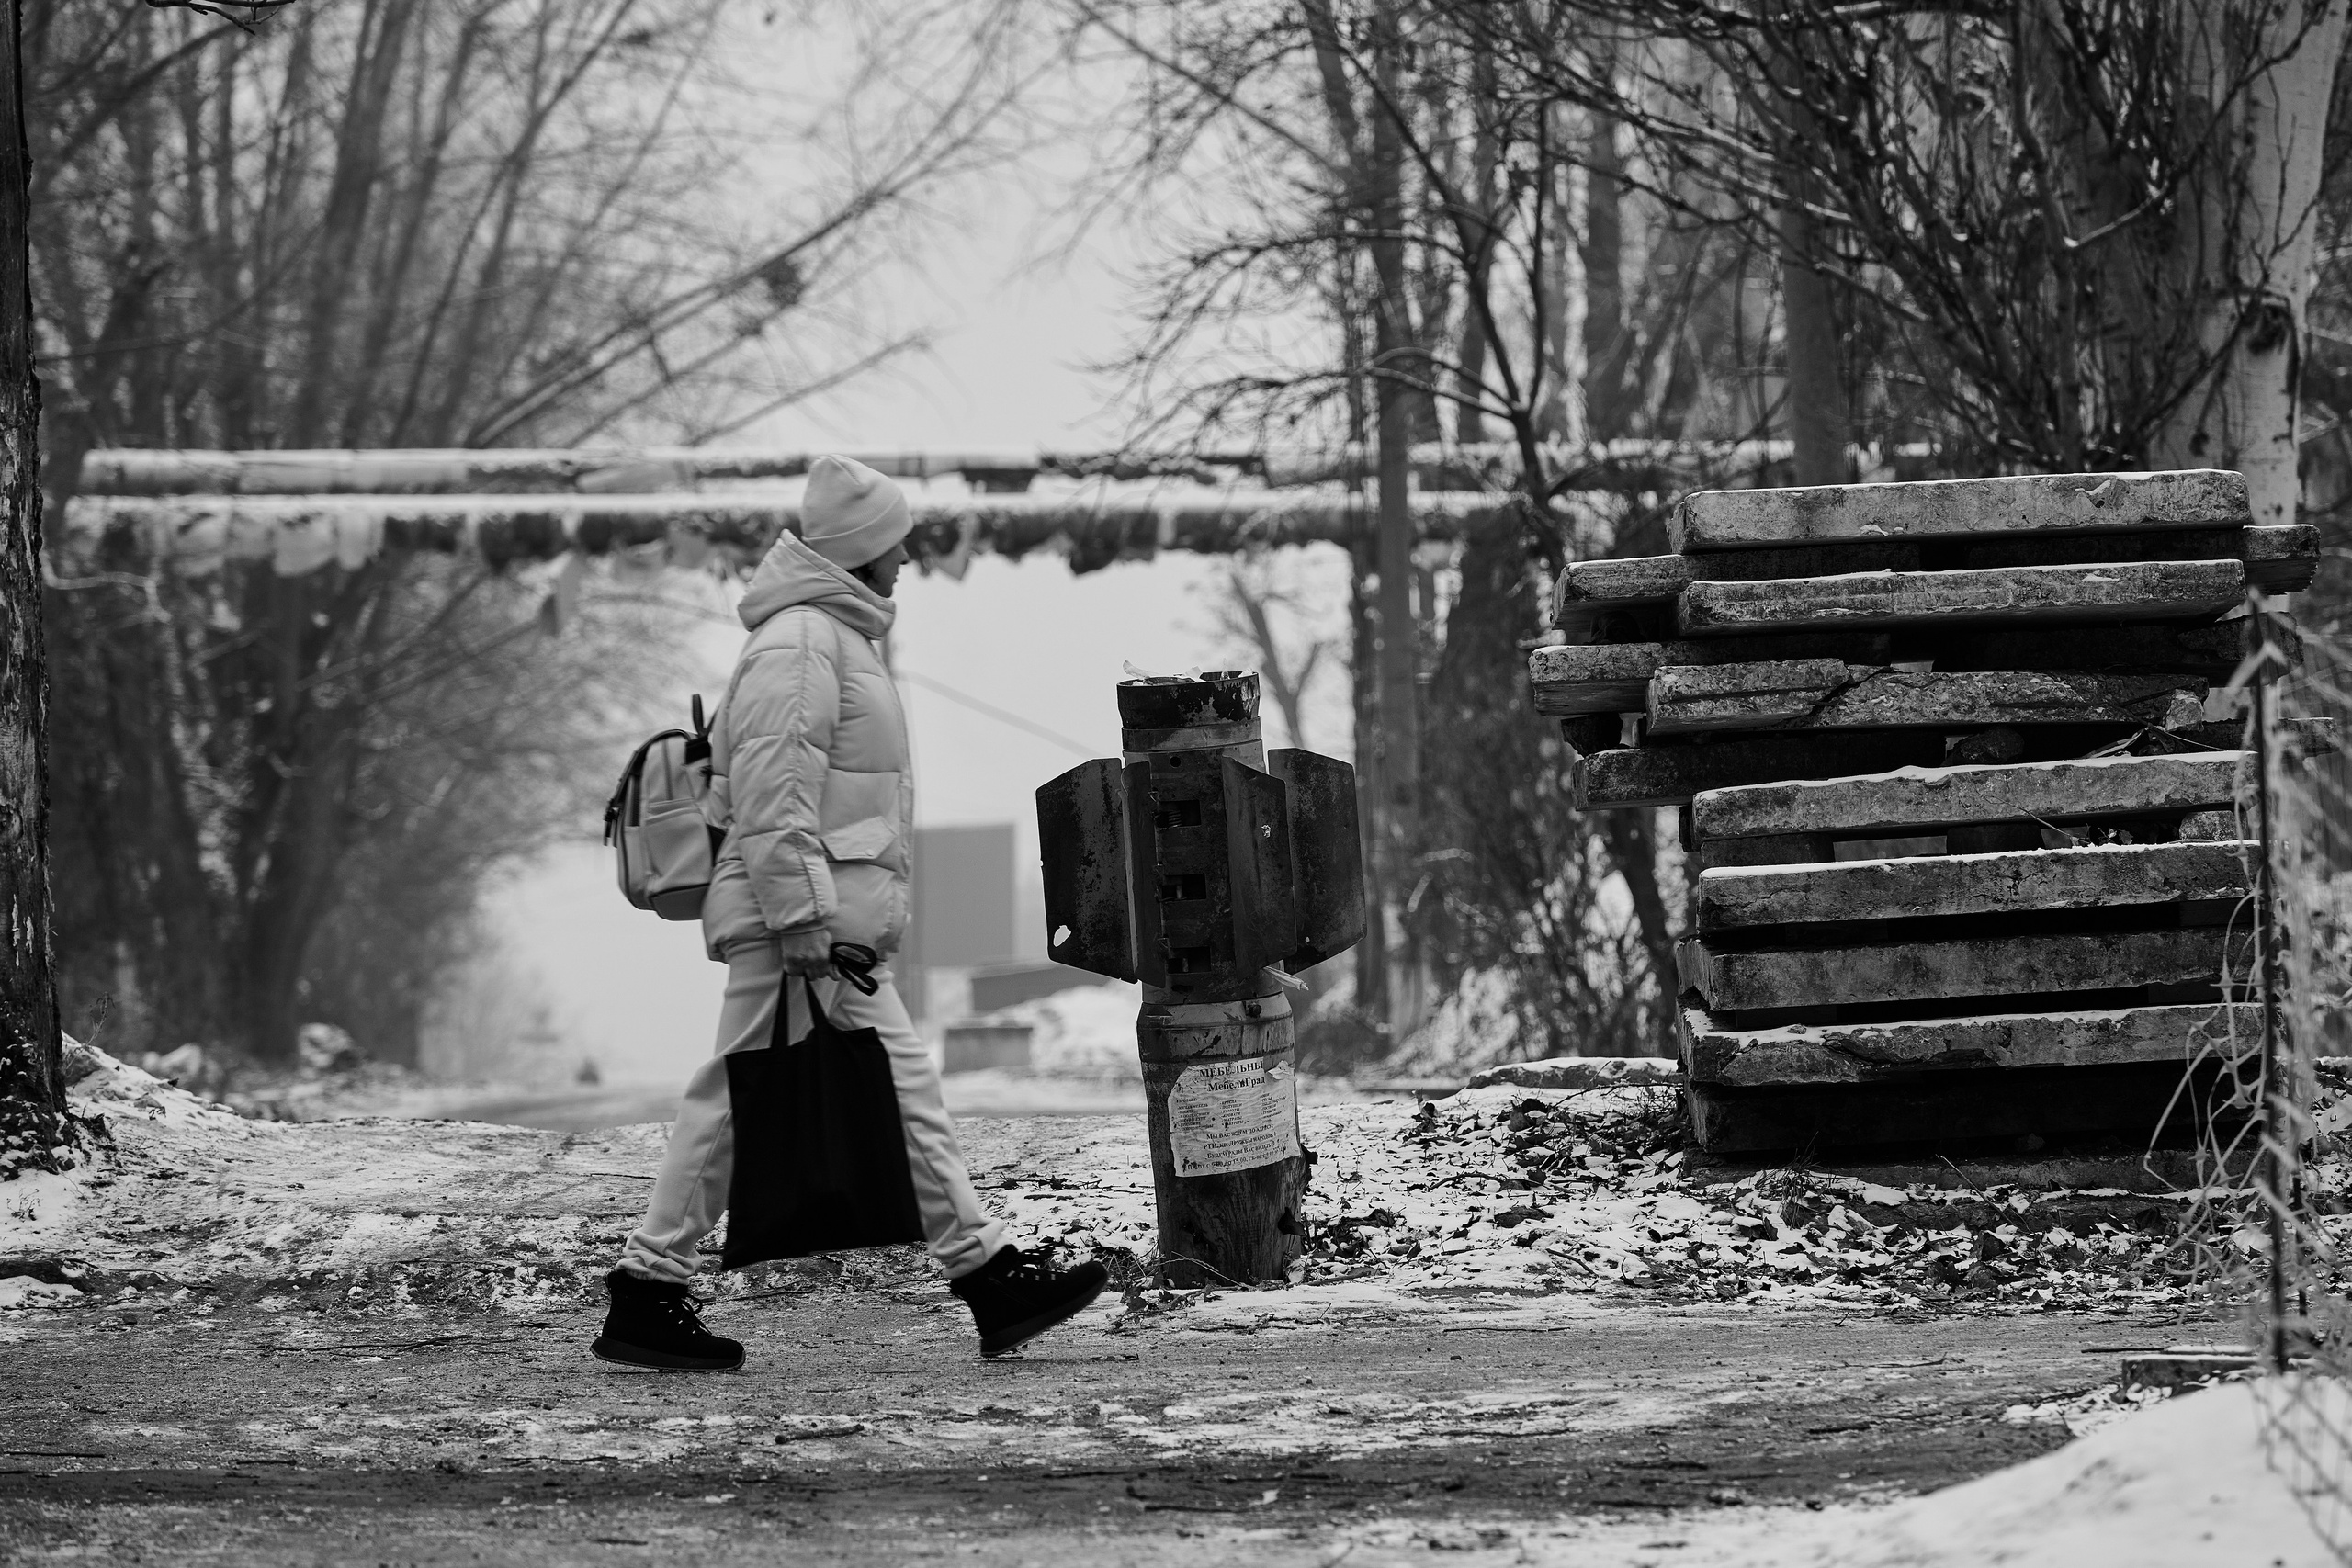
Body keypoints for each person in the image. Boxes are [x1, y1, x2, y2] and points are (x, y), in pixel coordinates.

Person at [593, 455, 1107, 1371]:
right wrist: (800, 920)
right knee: (811, 1098)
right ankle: (979, 1274)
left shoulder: (825, 637)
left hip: (816, 921)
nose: (907, 557)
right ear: (861, 550)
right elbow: (771, 788)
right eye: (896, 542)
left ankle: (655, 1285)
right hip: (801, 923)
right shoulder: (800, 642)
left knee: (787, 1097)